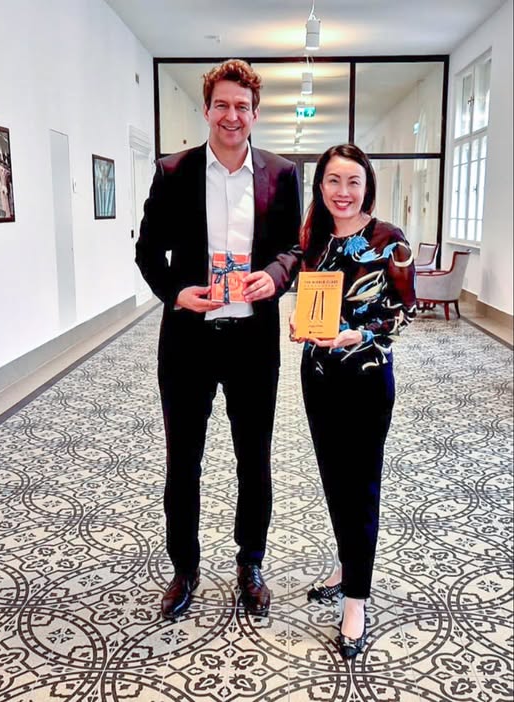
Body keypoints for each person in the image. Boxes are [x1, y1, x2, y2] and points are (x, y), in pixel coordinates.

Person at [136, 59, 301, 619]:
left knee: (254, 460)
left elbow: (294, 249)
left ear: (256, 113)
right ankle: (184, 569)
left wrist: (274, 275)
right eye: (223, 105)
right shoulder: (174, 171)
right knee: (183, 461)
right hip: (188, 341)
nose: (233, 116)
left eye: (242, 107)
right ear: (206, 110)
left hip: (253, 342)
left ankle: (250, 563)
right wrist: (176, 293)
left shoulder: (282, 173)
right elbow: (147, 251)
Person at [290, 144, 416, 658]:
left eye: (353, 182)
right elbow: (310, 300)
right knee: (334, 480)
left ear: (367, 187)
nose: (343, 192)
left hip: (365, 376)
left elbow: (406, 310)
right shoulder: (313, 240)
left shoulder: (389, 239)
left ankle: (356, 601)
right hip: (318, 375)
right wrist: (300, 323)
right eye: (333, 181)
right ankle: (347, 566)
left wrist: (358, 334)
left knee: (361, 485)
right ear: (320, 186)